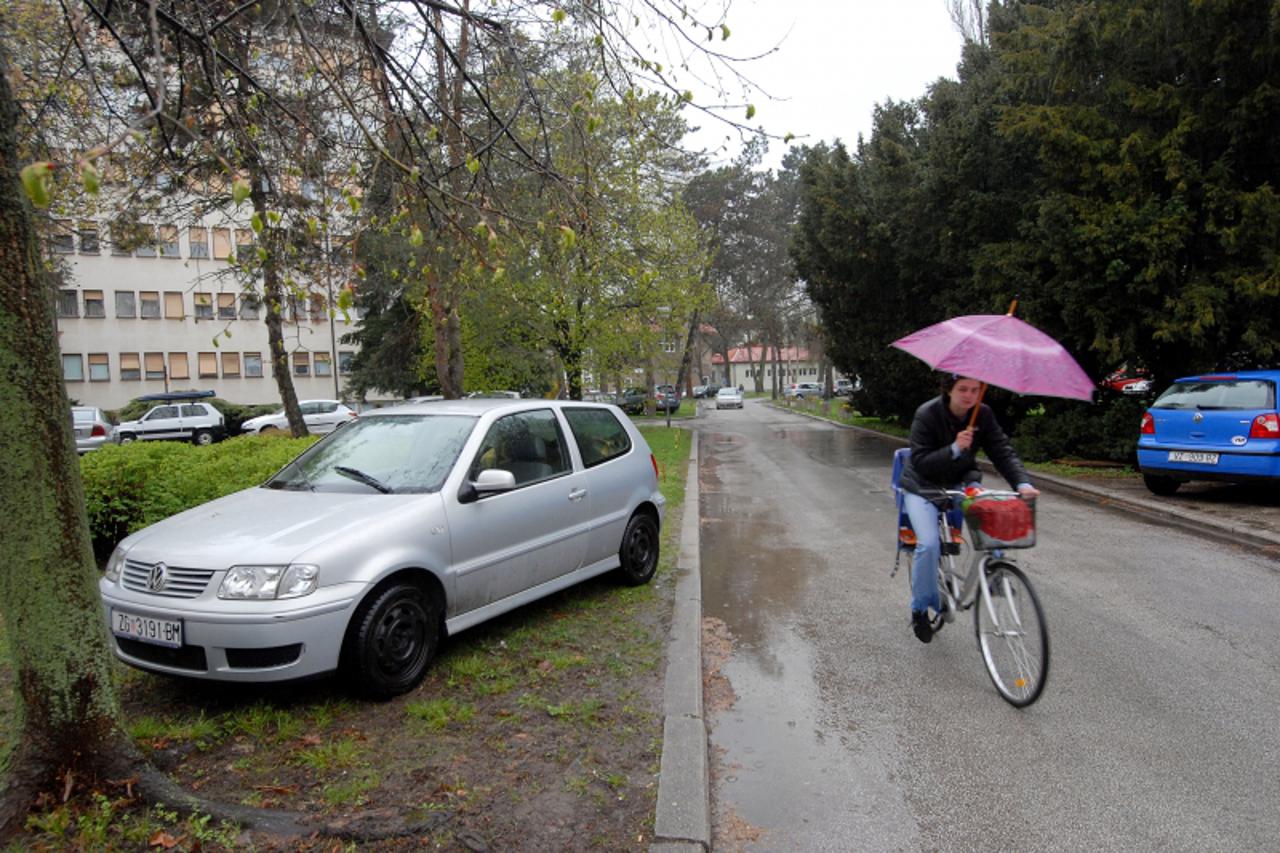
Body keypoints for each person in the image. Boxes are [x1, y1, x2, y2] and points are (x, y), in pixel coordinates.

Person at [899, 374, 1039, 644]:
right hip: (922, 486)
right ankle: (919, 608)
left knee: (994, 513)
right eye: (963, 389)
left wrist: (1022, 483)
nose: (969, 396)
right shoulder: (927, 414)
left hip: (962, 481)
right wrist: (954, 448)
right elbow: (920, 461)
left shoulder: (982, 415)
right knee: (928, 545)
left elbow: (1002, 451)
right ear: (948, 390)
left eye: (975, 390)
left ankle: (996, 571)